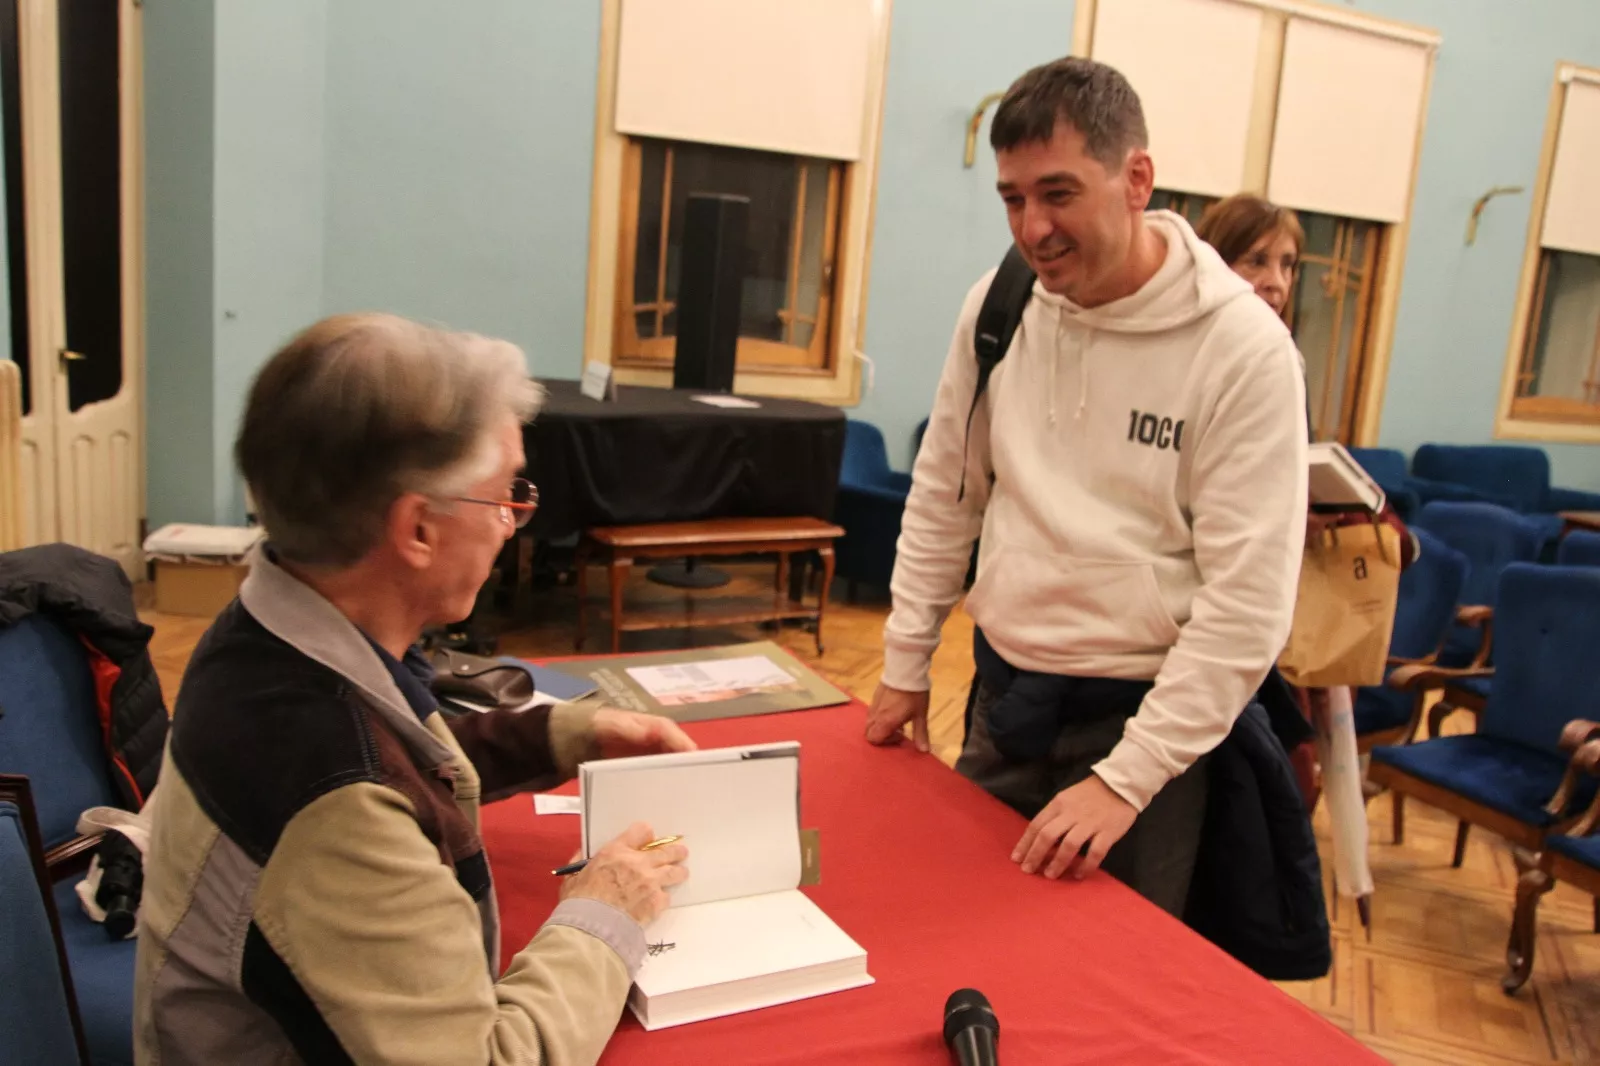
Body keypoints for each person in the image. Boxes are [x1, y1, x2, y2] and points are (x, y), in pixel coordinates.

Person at [134, 313, 694, 1066]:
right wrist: (605, 911)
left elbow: (396, 752)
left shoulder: (265, 632)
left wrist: (564, 734)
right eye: (504, 494)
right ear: (419, 530)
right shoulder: (332, 796)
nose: (510, 523)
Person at [864, 57, 1310, 917]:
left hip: (1143, 724)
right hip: (1006, 698)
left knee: (1104, 980)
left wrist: (1126, 779)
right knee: (963, 930)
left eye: (1058, 193)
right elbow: (947, 498)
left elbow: (1247, 606)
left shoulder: (1244, 351)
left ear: (1136, 178)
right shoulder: (999, 305)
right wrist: (904, 662)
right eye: (1012, 197)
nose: (1033, 228)